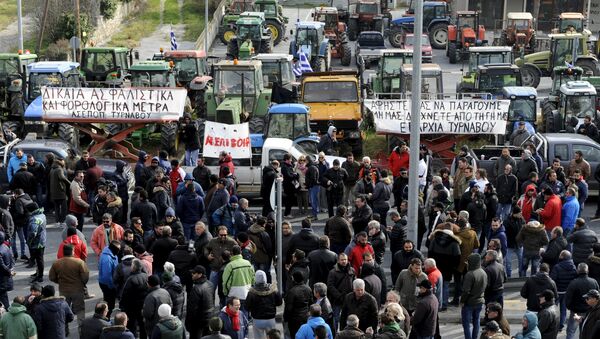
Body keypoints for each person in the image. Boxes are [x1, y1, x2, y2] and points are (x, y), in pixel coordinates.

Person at [49, 244, 89, 326]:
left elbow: (52, 277)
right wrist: (81, 283)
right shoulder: (80, 262)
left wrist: (59, 282)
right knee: (80, 311)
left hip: (63, 290)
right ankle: (81, 331)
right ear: (72, 252)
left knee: (63, 311)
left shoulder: (57, 263)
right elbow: (85, 277)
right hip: (77, 290)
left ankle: (65, 329)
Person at [427, 222, 461, 309]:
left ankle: (434, 304)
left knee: (435, 287)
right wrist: (454, 267)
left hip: (435, 268)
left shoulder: (434, 240)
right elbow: (457, 257)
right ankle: (444, 304)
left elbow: (430, 253)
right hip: (448, 268)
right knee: (445, 286)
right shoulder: (454, 243)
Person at [565, 263, 600, 339]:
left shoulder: (573, 283)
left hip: (576, 311)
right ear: (587, 271)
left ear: (578, 271)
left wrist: (571, 308)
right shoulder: (594, 281)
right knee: (585, 330)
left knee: (571, 331)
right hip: (589, 311)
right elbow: (598, 295)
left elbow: (568, 299)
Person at [245, 270, 281, 338]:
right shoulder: (273, 289)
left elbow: (246, 306)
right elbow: (279, 302)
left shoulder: (252, 292)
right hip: (270, 319)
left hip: (257, 320)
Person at [460, 253, 487, 339]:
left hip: (469, 303)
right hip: (480, 301)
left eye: (468, 262)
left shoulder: (470, 274)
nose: (467, 263)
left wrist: (462, 301)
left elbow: (466, 291)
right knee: (476, 321)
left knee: (466, 324)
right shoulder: (483, 272)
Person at [222, 245, 255, 314]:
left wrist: (226, 292)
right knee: (245, 315)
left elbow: (226, 282)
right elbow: (253, 278)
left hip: (233, 295)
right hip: (246, 293)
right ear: (241, 252)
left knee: (233, 316)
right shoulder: (248, 263)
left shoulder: (230, 265)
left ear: (232, 253)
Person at [327, 252, 355, 330]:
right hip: (337, 301)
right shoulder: (333, 272)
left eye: (345, 259)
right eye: (342, 260)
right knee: (336, 319)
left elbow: (354, 283)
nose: (344, 261)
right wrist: (339, 296)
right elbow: (330, 286)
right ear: (338, 261)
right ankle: (336, 334)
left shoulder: (352, 270)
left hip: (349, 299)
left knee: (348, 318)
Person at [187, 265, 215, 338]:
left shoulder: (196, 289)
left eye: (194, 273)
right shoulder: (210, 284)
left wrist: (188, 324)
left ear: (200, 274)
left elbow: (192, 309)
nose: (192, 274)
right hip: (209, 319)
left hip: (198, 322)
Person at [284, 271, 313, 337]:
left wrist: (286, 318)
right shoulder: (308, 289)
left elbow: (288, 308)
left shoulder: (292, 291)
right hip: (305, 317)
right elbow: (311, 303)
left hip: (294, 320)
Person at [99, 240, 121, 315]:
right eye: (118, 249)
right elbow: (107, 276)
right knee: (109, 304)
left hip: (108, 283)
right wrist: (113, 286)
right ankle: (106, 318)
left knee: (108, 302)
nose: (119, 251)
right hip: (108, 284)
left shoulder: (112, 254)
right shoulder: (107, 259)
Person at [26, 202, 46, 283]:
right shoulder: (42, 215)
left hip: (37, 243)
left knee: (39, 260)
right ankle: (38, 272)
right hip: (42, 240)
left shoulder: (34, 219)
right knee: (39, 259)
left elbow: (33, 233)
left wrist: (29, 242)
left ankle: (40, 276)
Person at [0, 231, 13, 309]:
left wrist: (9, 271)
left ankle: (8, 311)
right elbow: (12, 259)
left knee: (3, 297)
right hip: (5, 277)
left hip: (1, 278)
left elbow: (1, 265)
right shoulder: (5, 246)